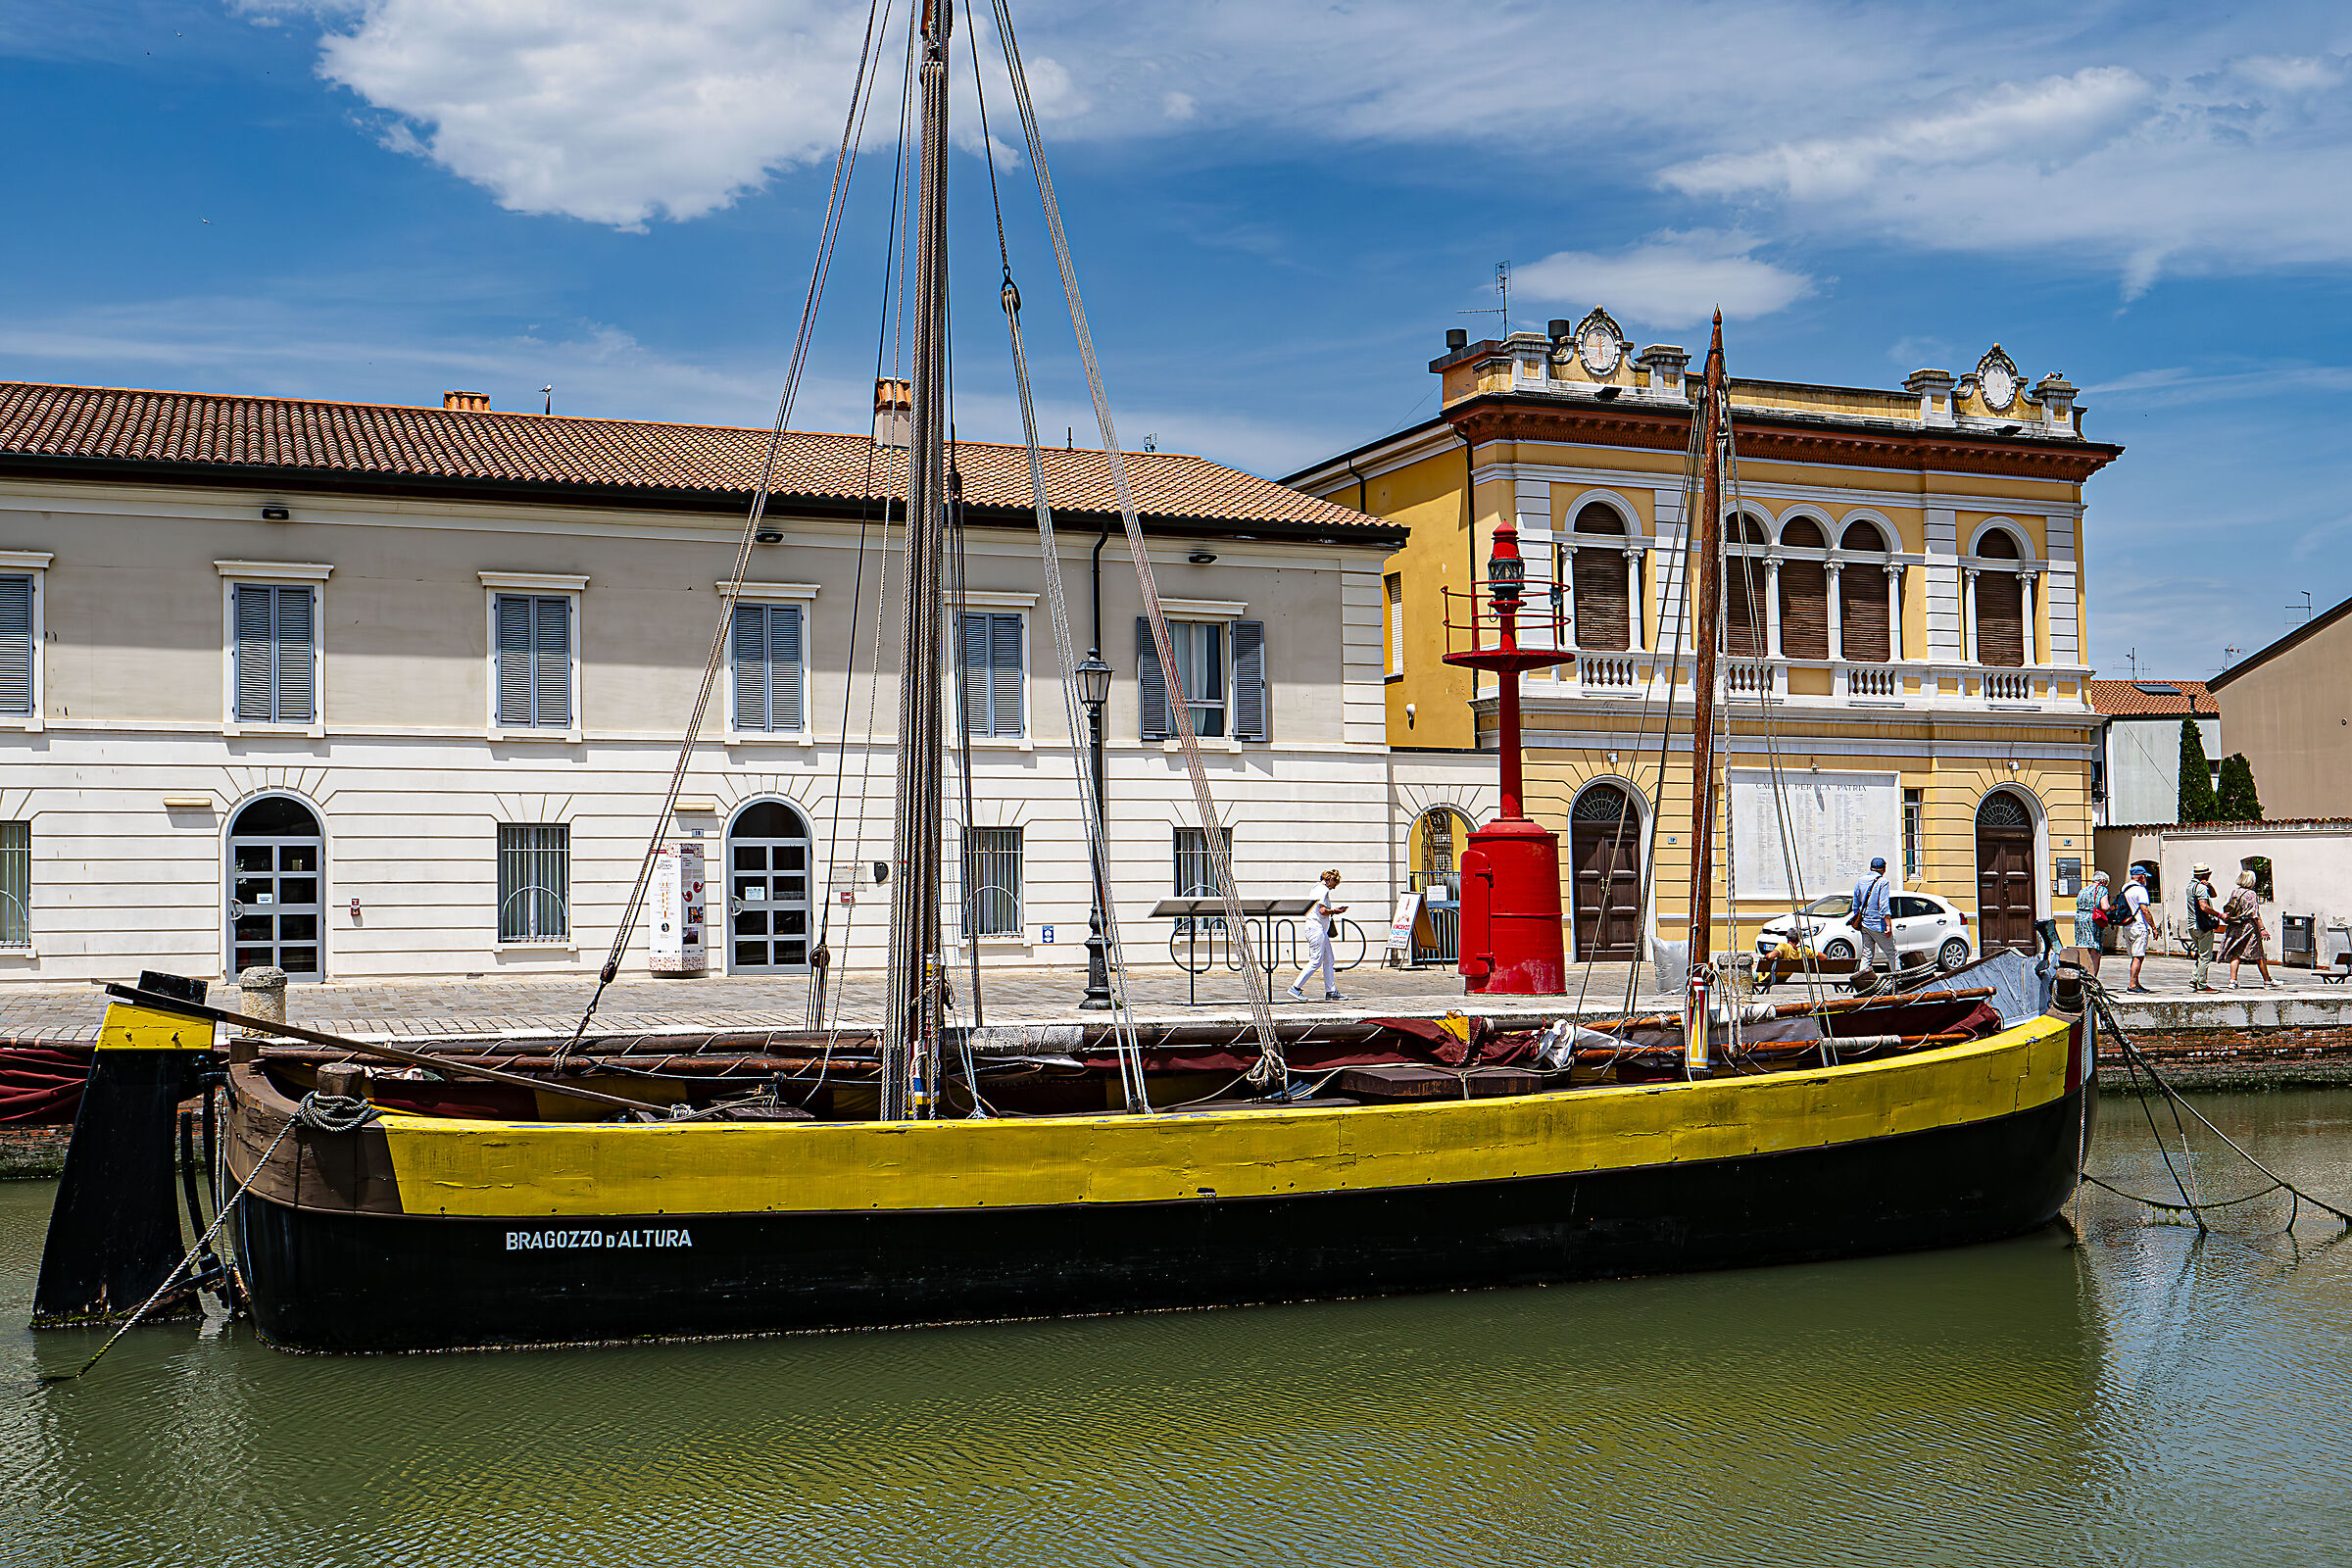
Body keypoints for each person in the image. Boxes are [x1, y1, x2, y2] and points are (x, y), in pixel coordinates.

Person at [1287, 869, 1348, 1002]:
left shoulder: (1316, 888)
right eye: (1335, 882)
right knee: (1316, 960)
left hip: (1318, 929)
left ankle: (1331, 991)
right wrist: (1336, 911)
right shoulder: (1323, 890)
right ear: (1330, 879)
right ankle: (1295, 987)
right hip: (1317, 929)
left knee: (1329, 960)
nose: (1335, 886)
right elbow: (1322, 911)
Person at [2219, 868, 2281, 989]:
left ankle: (2233, 981)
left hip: (2235, 925)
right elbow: (2255, 914)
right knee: (2258, 954)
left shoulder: (2235, 892)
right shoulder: (2251, 894)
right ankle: (2267, 980)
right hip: (2248, 927)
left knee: (2236, 953)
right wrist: (2262, 929)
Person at [1848, 857, 1896, 973]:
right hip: (1878, 924)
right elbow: (1884, 905)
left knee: (1867, 954)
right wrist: (1888, 925)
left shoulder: (1860, 881)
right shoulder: (1883, 882)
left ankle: (1861, 981)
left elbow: (1855, 904)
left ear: (1870, 868)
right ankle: (1898, 979)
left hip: (1865, 923)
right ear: (1884, 869)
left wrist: (1858, 918)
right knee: (1892, 953)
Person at [2185, 861, 2223, 994]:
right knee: (2206, 956)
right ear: (2206, 874)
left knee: (2201, 955)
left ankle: (2194, 979)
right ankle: (2201, 984)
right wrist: (2220, 915)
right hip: (2202, 926)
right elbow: (2204, 906)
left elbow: (2213, 895)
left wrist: (2209, 886)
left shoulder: (2190, 886)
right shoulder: (2200, 888)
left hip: (2191, 925)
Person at [2122, 866, 2158, 993]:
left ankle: (2136, 982)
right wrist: (2153, 927)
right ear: (2141, 876)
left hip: (2127, 925)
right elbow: (2144, 910)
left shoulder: (2125, 888)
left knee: (2134, 956)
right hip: (2138, 926)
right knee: (2138, 956)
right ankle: (2132, 985)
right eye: (2145, 877)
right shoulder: (2141, 890)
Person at [2074, 870, 2108, 978]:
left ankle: (2082, 974)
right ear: (2102, 881)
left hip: (2080, 918)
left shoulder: (2083, 890)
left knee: (2083, 947)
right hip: (2093, 919)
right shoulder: (2102, 890)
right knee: (2095, 949)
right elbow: (2104, 907)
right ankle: (2092, 977)